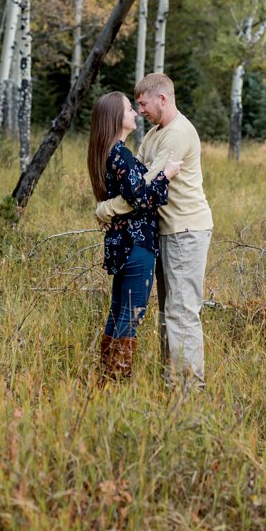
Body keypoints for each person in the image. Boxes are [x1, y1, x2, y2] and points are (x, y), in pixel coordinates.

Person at [96, 73, 213, 389]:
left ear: (162, 98)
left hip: (185, 230)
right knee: (168, 312)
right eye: (135, 105)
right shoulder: (153, 136)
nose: (140, 110)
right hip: (164, 230)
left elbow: (145, 188)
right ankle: (172, 381)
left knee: (182, 311)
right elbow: (136, 180)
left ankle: (189, 389)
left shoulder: (177, 135)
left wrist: (105, 210)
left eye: (143, 103)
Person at [87, 92, 179, 380]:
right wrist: (166, 175)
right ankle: (116, 379)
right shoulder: (120, 154)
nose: (135, 113)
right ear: (116, 117)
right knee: (131, 313)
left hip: (122, 243)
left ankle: (106, 376)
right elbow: (140, 198)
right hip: (136, 244)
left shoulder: (110, 152)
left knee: (119, 311)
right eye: (129, 109)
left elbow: (129, 196)